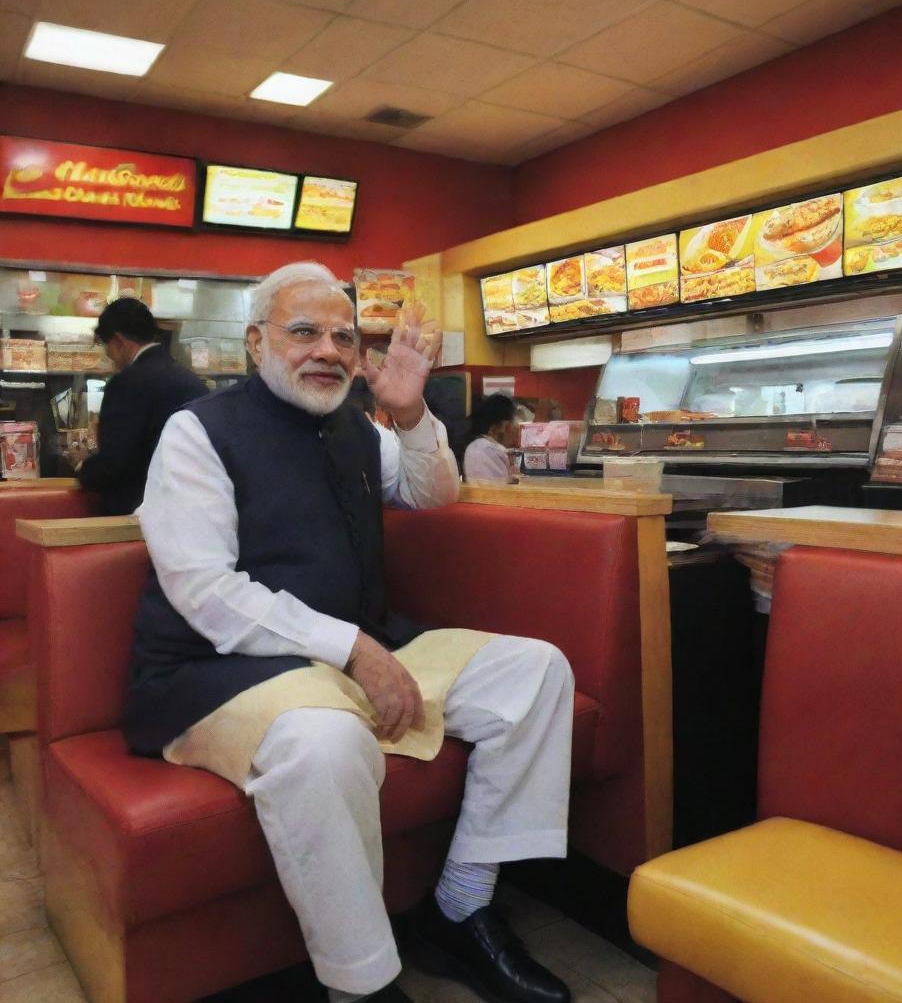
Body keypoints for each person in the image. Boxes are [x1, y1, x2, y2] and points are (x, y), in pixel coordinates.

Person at [123, 262, 573, 1003]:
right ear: (255, 341)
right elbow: (204, 589)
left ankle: (459, 906)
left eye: (342, 336)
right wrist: (352, 648)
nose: (327, 350)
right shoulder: (197, 431)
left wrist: (411, 412)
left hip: (357, 649)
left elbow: (434, 492)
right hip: (215, 670)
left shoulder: (360, 428)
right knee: (325, 742)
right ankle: (362, 984)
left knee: (537, 672)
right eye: (304, 332)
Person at [65, 298, 208, 514]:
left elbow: (115, 463)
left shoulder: (127, 383)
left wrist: (84, 467)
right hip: (190, 508)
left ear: (118, 341)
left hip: (137, 515)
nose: (109, 358)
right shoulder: (190, 379)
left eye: (107, 348)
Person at [463, 393, 517, 483]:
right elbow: (501, 490)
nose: (515, 428)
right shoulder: (488, 450)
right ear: (503, 426)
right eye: (513, 423)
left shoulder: (476, 446)